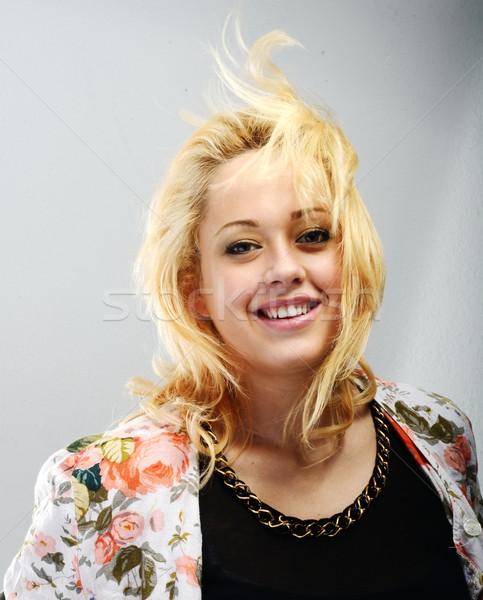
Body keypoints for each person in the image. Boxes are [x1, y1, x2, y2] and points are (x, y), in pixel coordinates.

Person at [4, 29, 483, 600]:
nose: (284, 268)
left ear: (350, 257)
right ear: (196, 290)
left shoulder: (441, 436)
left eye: (312, 235)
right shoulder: (96, 488)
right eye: (241, 246)